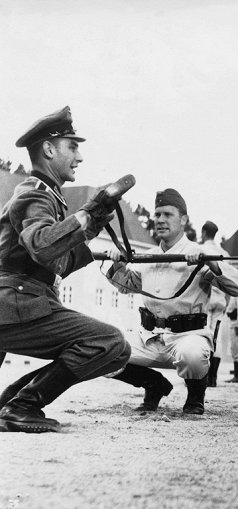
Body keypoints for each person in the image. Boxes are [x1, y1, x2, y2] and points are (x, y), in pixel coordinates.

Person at [0, 106, 131, 433]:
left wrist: (95, 243)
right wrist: (87, 215)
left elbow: (54, 261)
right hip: (15, 304)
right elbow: (43, 244)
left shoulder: (48, 196)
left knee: (116, 354)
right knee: (110, 343)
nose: (80, 156)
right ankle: (22, 405)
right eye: (72, 146)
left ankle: (13, 402)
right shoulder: (34, 193)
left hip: (18, 304)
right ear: (48, 149)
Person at [106, 189, 238, 414]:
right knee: (104, 351)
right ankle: (154, 386)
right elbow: (127, 286)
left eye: (167, 215)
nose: (160, 220)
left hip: (186, 337)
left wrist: (211, 264)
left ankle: (195, 397)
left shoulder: (198, 252)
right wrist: (117, 263)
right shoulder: (149, 254)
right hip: (150, 338)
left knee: (192, 354)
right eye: (157, 214)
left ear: (183, 220)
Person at [200, 220, 230, 387]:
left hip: (205, 298)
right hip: (220, 299)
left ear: (204, 233)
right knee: (216, 338)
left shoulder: (201, 249)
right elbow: (229, 280)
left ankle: (203, 376)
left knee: (204, 336)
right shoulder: (223, 252)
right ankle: (213, 378)